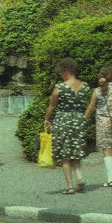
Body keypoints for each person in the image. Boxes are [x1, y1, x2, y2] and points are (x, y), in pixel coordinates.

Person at [43, 57, 90, 194]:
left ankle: (70, 186)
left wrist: (47, 119)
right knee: (75, 150)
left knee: (65, 154)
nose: (60, 74)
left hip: (63, 121)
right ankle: (79, 174)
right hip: (78, 120)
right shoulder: (85, 86)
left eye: (61, 71)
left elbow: (52, 106)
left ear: (66, 70)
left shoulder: (60, 88)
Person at [83, 64, 112, 187]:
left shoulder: (97, 91)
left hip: (103, 122)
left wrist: (83, 120)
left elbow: (90, 108)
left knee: (105, 149)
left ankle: (110, 179)